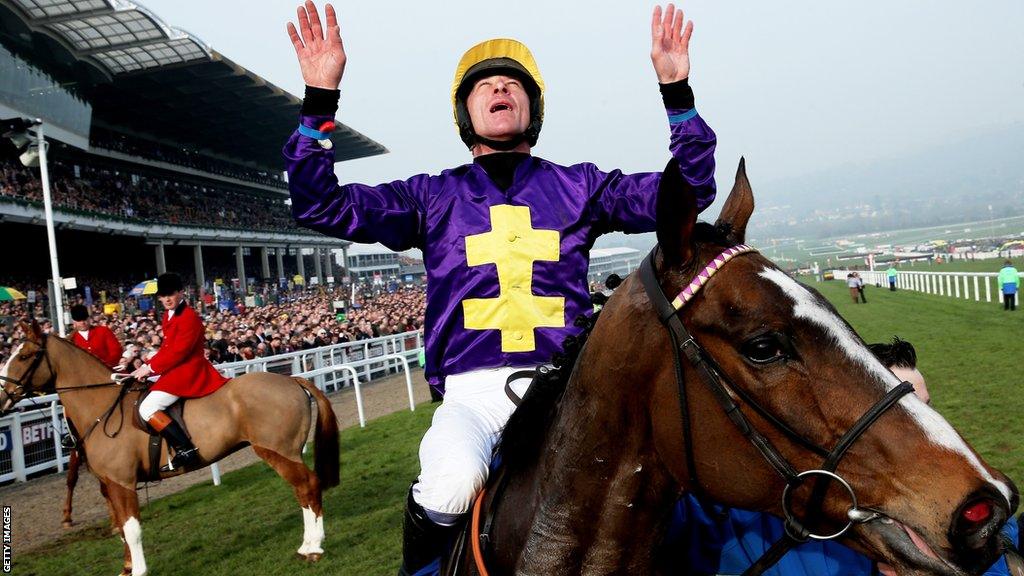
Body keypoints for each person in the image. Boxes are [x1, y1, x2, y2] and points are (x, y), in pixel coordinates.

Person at [283, 3, 717, 574]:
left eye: (512, 84)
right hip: (474, 396)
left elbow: (688, 192)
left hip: (572, 388)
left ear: (532, 108)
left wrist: (676, 91)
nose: (499, 90)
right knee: (450, 484)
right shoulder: (429, 196)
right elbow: (320, 204)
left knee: (665, 486)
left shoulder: (578, 186)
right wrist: (319, 100)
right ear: (466, 114)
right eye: (484, 86)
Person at [666, 337, 1018, 576]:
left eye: (924, 410)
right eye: (902, 417)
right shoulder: (755, 513)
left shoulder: (962, 499)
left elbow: (1008, 550)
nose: (922, 429)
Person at [130, 273, 229, 472]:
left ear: (181, 293)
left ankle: (185, 449)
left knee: (147, 407)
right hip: (177, 367)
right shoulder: (169, 314)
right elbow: (168, 349)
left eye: (171, 294)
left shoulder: (188, 316)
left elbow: (178, 352)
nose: (166, 299)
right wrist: (147, 366)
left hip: (188, 370)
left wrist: (148, 368)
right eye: (163, 295)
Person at [69, 304, 123, 368]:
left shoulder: (103, 331)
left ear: (89, 318)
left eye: (84, 319)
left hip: (107, 370)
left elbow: (116, 350)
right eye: (79, 320)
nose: (82, 323)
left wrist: (107, 365)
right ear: (74, 322)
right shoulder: (72, 339)